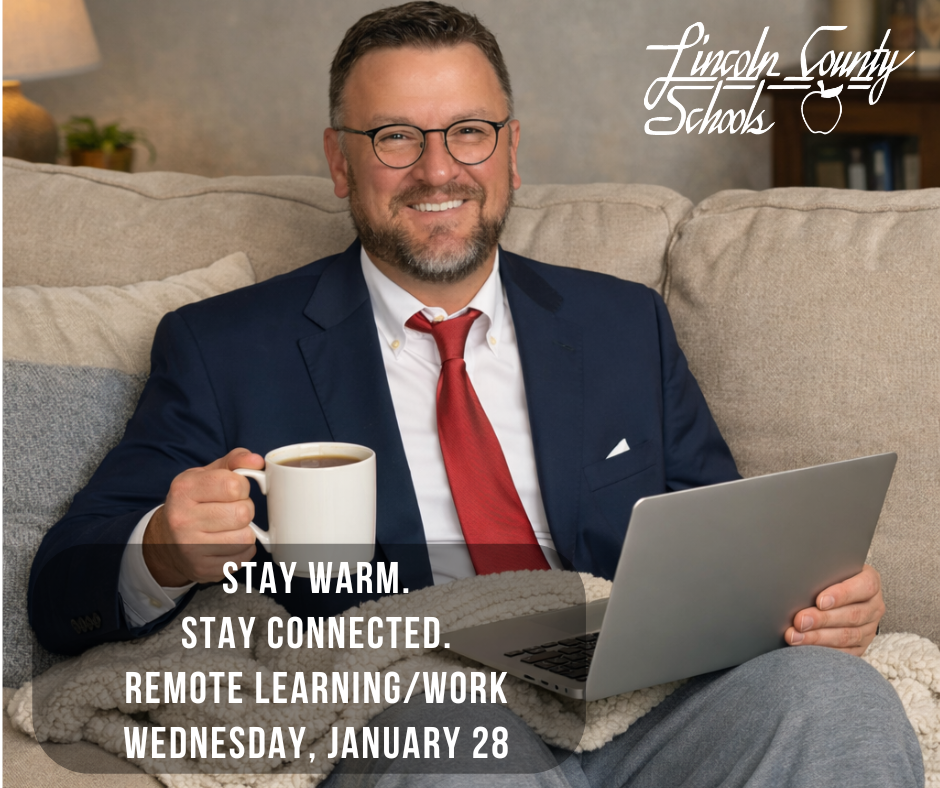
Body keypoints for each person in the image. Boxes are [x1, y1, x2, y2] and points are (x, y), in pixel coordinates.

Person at [28, 3, 923, 785]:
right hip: (430, 711)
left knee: (832, 695)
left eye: (467, 132)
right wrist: (163, 548)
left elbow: (730, 542)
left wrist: (818, 604)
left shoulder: (622, 325)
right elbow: (63, 586)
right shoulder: (226, 347)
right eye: (395, 137)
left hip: (642, 706)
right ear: (340, 163)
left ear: (510, 151)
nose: (437, 170)